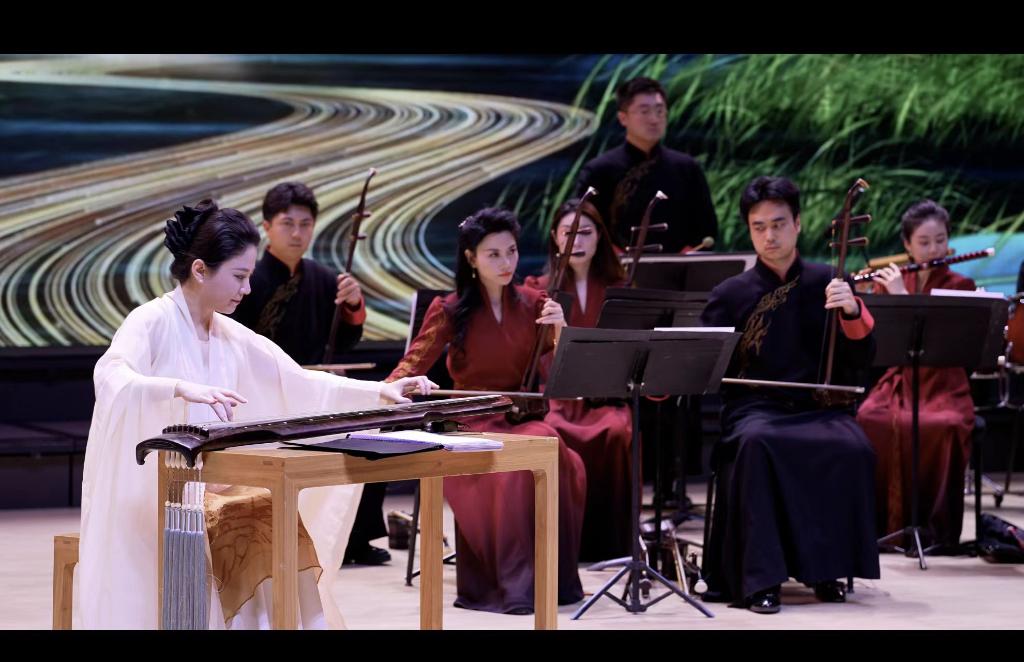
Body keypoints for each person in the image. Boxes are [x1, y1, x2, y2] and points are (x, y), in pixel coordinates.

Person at [77, 199, 432, 629]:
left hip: (212, 485)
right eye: (239, 276)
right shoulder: (150, 321)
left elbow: (298, 382)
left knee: (269, 514)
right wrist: (176, 388)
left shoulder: (228, 332)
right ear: (200, 270)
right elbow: (111, 375)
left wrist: (379, 392)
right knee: (249, 516)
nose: (246, 289)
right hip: (153, 491)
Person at [387, 207, 587, 614]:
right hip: (469, 422)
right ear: (471, 258)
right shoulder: (449, 308)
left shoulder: (536, 303)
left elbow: (563, 372)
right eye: (493, 254)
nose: (505, 262)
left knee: (556, 451)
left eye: (511, 251)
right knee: (514, 467)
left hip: (519, 416)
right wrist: (388, 390)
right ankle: (511, 588)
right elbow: (411, 365)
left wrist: (560, 328)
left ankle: (552, 581)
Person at [699, 176, 880, 614]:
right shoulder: (729, 294)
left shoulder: (829, 280)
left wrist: (851, 309)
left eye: (779, 224)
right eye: (759, 227)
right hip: (754, 410)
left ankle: (826, 569)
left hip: (817, 407)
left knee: (853, 445)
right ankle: (761, 579)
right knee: (759, 443)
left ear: (798, 224)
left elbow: (863, 357)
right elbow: (704, 367)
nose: (770, 236)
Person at [231, 182, 389, 566]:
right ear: (267, 227)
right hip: (264, 393)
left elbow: (347, 340)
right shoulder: (249, 279)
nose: (297, 233)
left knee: (371, 431)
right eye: (288, 224)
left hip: (315, 391)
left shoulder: (324, 278)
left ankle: (354, 538)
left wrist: (353, 303)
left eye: (305, 224)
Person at [856, 200, 976, 550]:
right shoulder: (893, 279)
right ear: (907, 245)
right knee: (869, 418)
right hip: (899, 380)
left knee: (946, 426)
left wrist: (904, 297)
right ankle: (883, 526)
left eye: (940, 240)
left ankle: (934, 531)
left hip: (945, 383)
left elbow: (953, 345)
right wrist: (874, 296)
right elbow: (880, 342)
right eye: (924, 242)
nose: (934, 249)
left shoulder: (960, 283)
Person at [524, 198, 633, 561]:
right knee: (552, 430)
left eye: (586, 232)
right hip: (558, 397)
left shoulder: (620, 286)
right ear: (555, 239)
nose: (578, 241)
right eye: (569, 233)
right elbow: (537, 358)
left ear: (600, 237)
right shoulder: (539, 288)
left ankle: (611, 544)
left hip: (606, 396)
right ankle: (561, 542)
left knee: (617, 431)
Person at [575, 76, 718, 253]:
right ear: (623, 118)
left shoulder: (687, 168)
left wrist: (685, 257)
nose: (654, 119)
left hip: (679, 266)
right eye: (644, 111)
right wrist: (615, 259)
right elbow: (584, 225)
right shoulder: (599, 170)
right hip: (618, 267)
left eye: (659, 111)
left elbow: (706, 228)